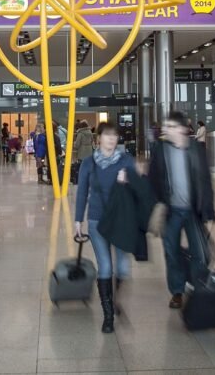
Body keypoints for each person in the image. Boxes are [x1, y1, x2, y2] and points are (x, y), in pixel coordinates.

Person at [147, 111, 215, 310]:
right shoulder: (159, 150)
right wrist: (156, 204)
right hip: (171, 211)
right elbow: (152, 180)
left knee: (200, 253)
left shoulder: (196, 149)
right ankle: (177, 291)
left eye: (170, 127)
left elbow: (205, 180)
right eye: (165, 127)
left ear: (182, 129)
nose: (166, 130)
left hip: (193, 211)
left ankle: (196, 285)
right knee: (171, 252)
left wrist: (208, 209)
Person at [74, 122, 138, 334]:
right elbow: (82, 192)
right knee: (106, 267)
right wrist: (77, 221)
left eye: (115, 135)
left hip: (120, 220)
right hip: (96, 220)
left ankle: (114, 297)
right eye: (107, 135)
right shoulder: (88, 163)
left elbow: (140, 188)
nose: (111, 139)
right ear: (98, 138)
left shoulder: (126, 161)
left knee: (122, 268)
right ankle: (108, 314)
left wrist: (129, 181)